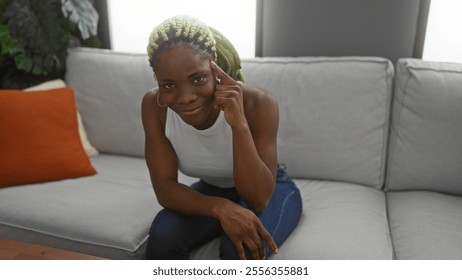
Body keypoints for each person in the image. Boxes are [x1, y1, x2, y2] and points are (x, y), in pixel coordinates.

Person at [142, 15, 302, 260]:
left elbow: (258, 200)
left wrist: (239, 124)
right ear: (158, 82)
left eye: (198, 79)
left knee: (240, 251)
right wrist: (220, 208)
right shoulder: (154, 106)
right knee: (162, 240)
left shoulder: (259, 103)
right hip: (212, 189)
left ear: (214, 69)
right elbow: (164, 188)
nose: (185, 97)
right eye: (169, 85)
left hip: (269, 187)